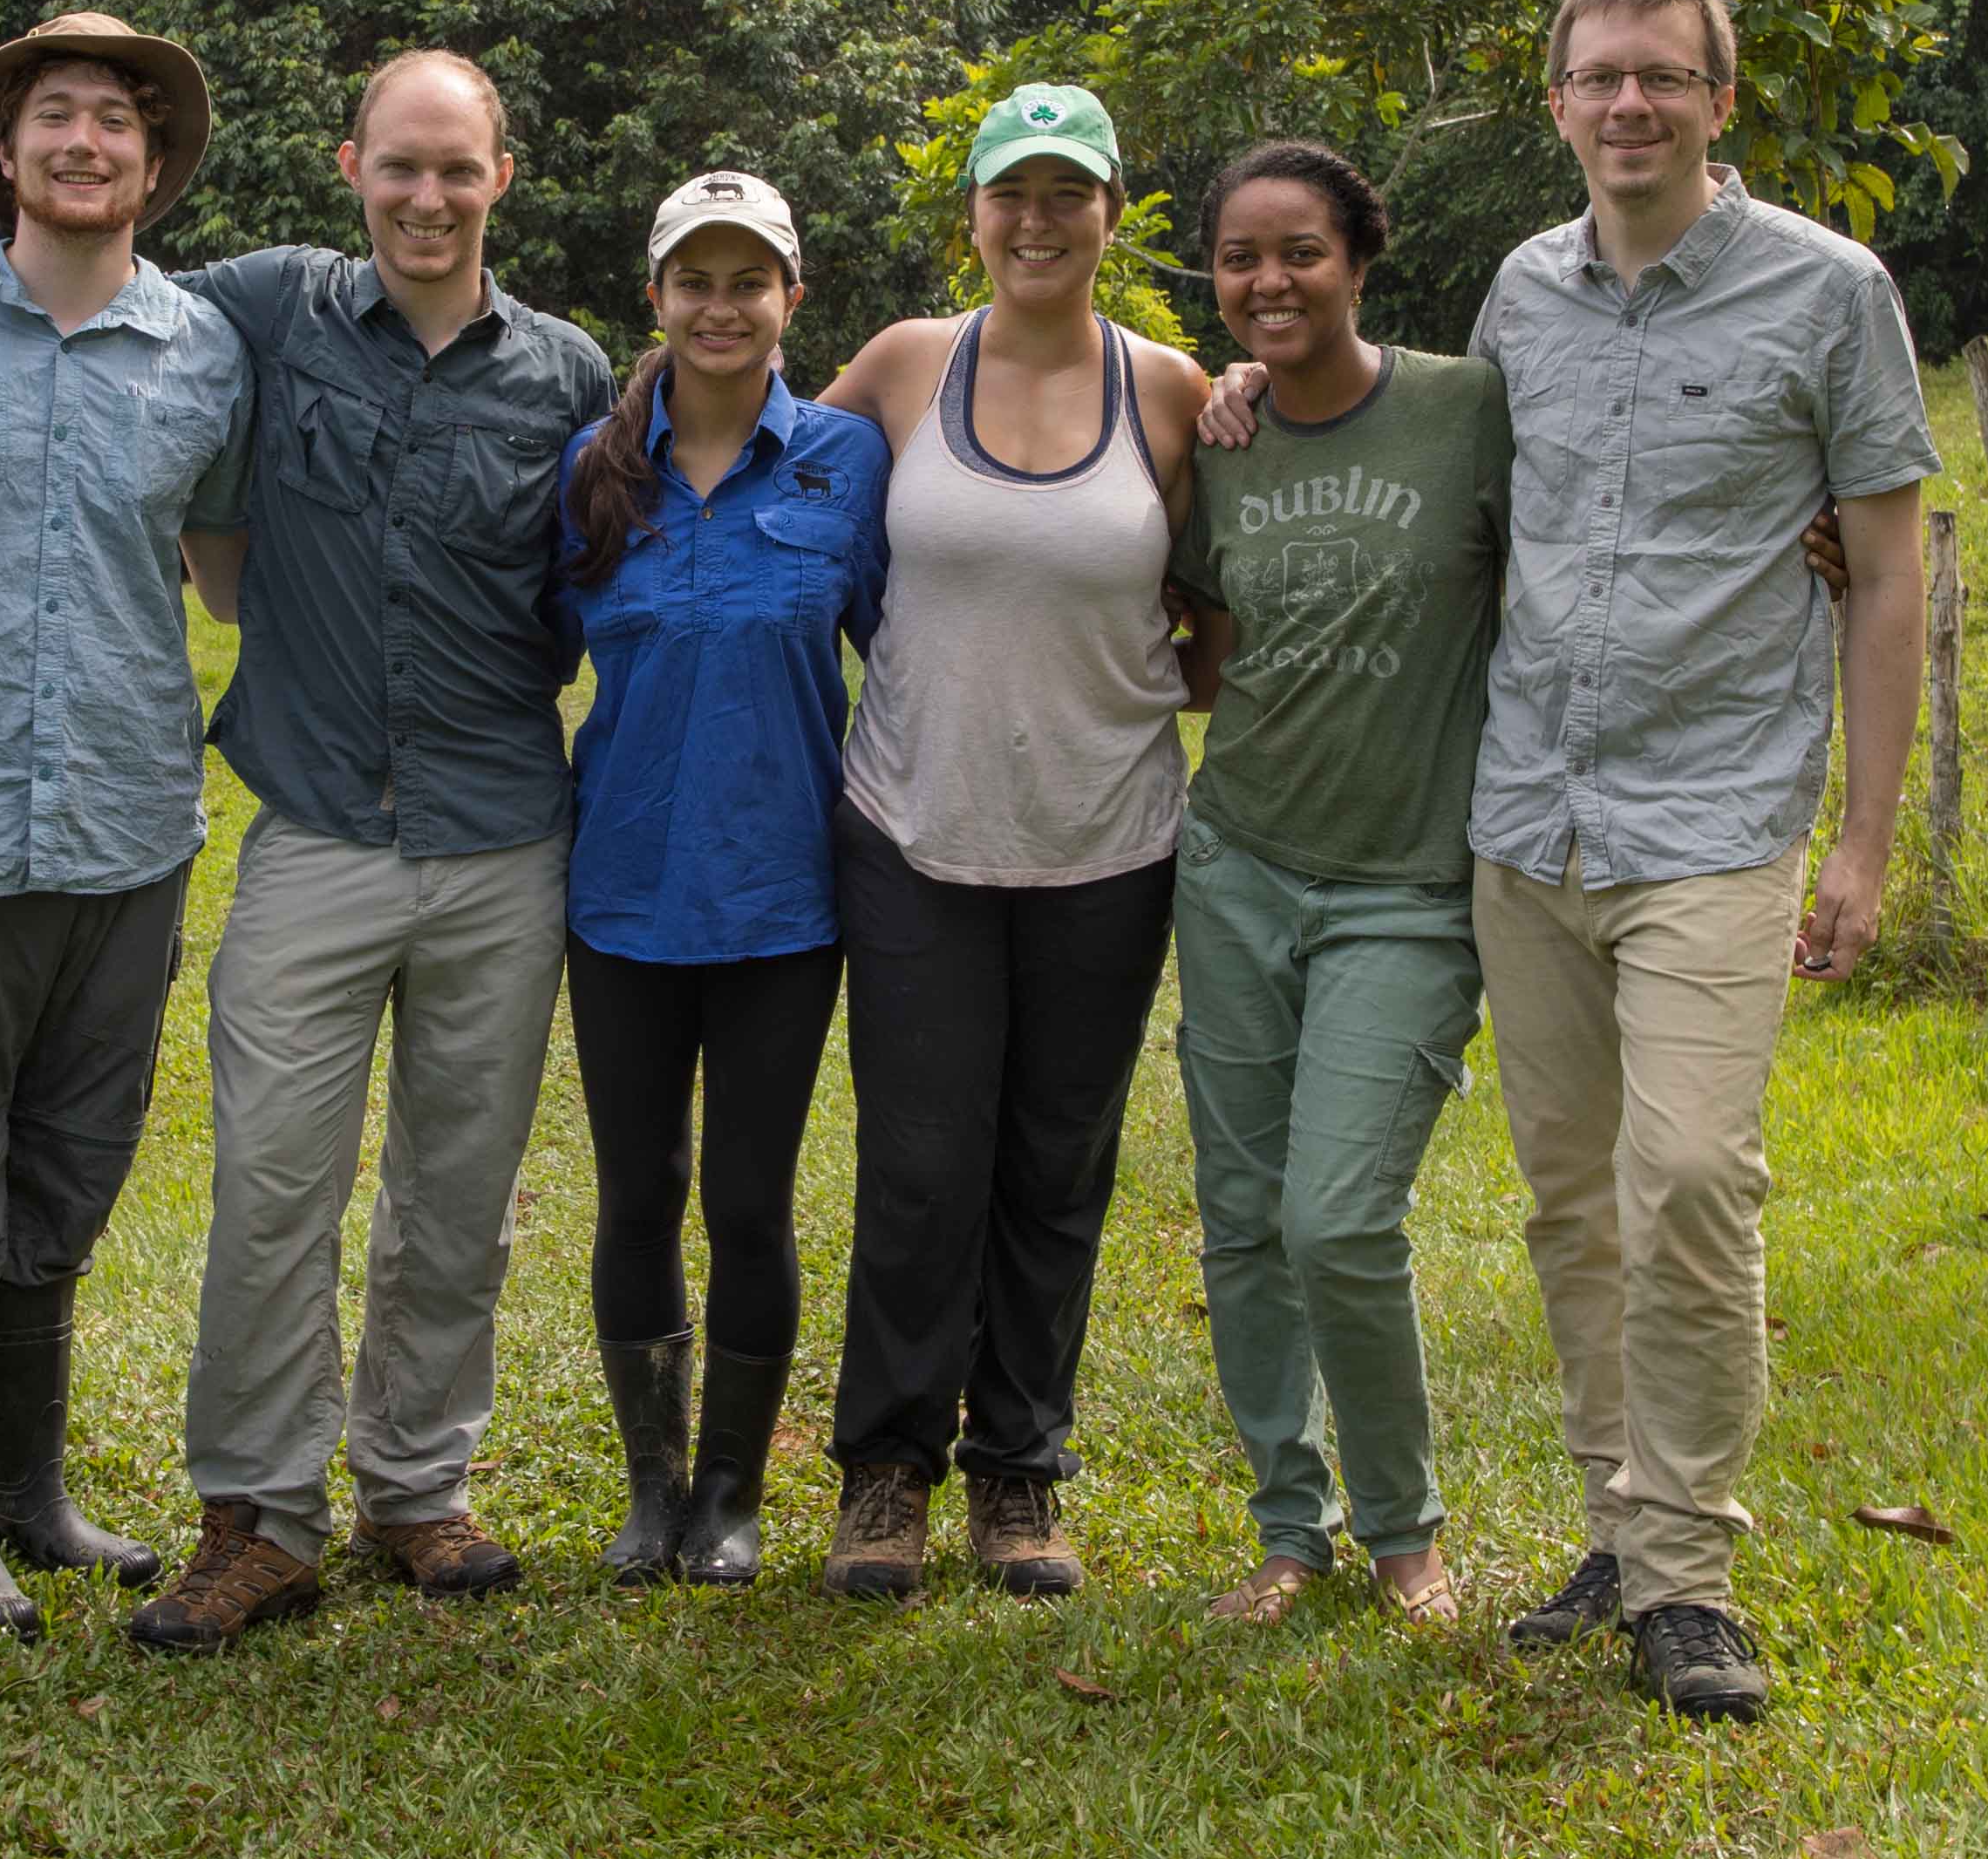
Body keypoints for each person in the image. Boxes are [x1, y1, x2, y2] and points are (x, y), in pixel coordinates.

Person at [0, 51, 615, 1654]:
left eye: (458, 169)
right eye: (400, 167)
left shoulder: (569, 373)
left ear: (504, 175)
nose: (427, 198)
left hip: (506, 834)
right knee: (272, 1181)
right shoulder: (264, 309)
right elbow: (79, 271)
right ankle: (260, 1517)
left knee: (460, 1190)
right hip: (314, 830)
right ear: (351, 165)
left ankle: (417, 1487)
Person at [1461, 0, 1935, 1724]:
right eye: (1599, 76)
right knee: (1575, 1198)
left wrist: (1863, 847)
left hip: (1720, 816)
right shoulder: (1520, 291)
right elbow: (1478, 515)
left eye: (1664, 75)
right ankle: (1619, 1531)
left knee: (1690, 1182)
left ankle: (1692, 1572)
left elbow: (1887, 570)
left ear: (1722, 102)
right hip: (1528, 814)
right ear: (1562, 101)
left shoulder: (1830, 292)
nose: (1630, 103)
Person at [0, 12, 252, 1633]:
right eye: (55, 118)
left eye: (116, 123)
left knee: (68, 1175)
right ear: (2, 155)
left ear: (153, 167)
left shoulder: (210, 350)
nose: (85, 143)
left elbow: (230, 566)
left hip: (131, 821)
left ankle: (34, 1498)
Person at [806, 80, 1215, 1602]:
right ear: (972, 213)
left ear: (1113, 212)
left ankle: (1021, 1474)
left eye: (1068, 194)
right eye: (1010, 194)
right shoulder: (909, 365)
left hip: (1109, 842)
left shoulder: (1171, 391)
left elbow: (1225, 612)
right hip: (915, 829)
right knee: (920, 1163)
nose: (1037, 221)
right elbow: (761, 481)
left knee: (1057, 1163)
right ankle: (887, 1473)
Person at [1157, 139, 1511, 1631]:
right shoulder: (1218, 440)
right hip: (1236, 863)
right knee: (1241, 1213)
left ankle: (1404, 1532)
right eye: (1240, 259)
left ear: (1361, 259)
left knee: (1339, 1220)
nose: (1269, 281)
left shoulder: (1466, 409)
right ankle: (1288, 1529)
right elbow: (1204, 646)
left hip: (1410, 886)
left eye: (1299, 251)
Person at [554, 169, 886, 1587]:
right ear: (657, 297)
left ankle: (735, 1492)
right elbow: (524, 663)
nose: (722, 305)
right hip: (623, 893)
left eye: (750, 280)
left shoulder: (849, 463)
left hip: (783, 899)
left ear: (790, 301)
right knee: (639, 1191)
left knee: (750, 1198)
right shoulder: (590, 471)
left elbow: (911, 646)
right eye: (697, 278)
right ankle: (652, 1487)